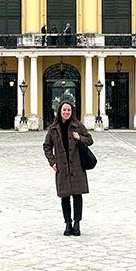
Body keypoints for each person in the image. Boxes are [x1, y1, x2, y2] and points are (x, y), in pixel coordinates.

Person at [42, 100, 93, 236]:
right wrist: (52, 162)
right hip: (62, 168)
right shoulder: (53, 129)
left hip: (77, 166)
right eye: (64, 110)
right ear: (60, 111)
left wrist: (80, 137)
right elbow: (46, 146)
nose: (66, 112)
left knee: (77, 196)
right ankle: (68, 223)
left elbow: (90, 140)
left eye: (69, 110)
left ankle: (77, 224)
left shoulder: (78, 126)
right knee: (64, 197)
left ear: (72, 112)